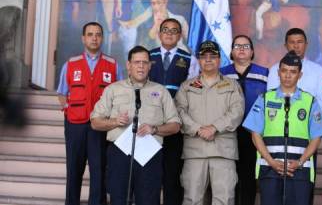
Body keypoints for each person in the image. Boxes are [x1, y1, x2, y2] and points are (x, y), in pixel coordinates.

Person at [90, 45, 181, 205]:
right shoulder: (113, 89)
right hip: (119, 154)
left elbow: (175, 125)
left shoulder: (160, 91)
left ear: (150, 66)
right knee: (118, 199)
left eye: (145, 62)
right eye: (137, 62)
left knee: (149, 200)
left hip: (150, 155)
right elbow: (95, 122)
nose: (141, 66)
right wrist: (114, 121)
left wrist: (155, 129)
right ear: (128, 65)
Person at [243, 52, 322, 205]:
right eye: (284, 71)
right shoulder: (264, 98)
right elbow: (255, 134)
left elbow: (317, 137)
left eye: (293, 72)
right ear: (278, 73)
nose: (288, 75)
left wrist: (300, 162)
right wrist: (271, 161)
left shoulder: (310, 102)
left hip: (299, 171)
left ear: (300, 75)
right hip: (269, 170)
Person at [56, 22, 123, 205]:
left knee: (99, 170)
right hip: (75, 125)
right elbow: (62, 93)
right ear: (83, 38)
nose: (94, 38)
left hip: (100, 126)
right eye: (90, 34)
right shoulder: (70, 64)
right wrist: (69, 111)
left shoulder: (113, 65)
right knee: (74, 170)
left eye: (98, 34)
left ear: (102, 38)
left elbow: (122, 94)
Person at [175, 40, 245, 205]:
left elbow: (237, 112)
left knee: (224, 200)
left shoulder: (232, 85)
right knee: (192, 199)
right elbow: (179, 112)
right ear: (198, 60)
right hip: (195, 151)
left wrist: (215, 127)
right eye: (204, 56)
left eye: (212, 56)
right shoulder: (187, 86)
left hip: (223, 151)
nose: (208, 60)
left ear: (219, 60)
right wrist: (198, 129)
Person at [148, 18, 199, 205]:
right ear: (159, 33)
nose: (169, 33)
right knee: (150, 173)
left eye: (174, 30)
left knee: (172, 173)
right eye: (165, 30)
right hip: (150, 124)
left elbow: (193, 93)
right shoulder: (147, 56)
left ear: (180, 35)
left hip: (175, 125)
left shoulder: (189, 59)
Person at [220, 35, 268, 205]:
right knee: (227, 176)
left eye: (246, 46)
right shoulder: (222, 73)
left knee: (248, 176)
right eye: (237, 46)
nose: (241, 49)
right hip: (226, 132)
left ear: (252, 51)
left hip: (252, 133)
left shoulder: (264, 73)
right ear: (232, 51)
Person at [267, 28, 322, 109]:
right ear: (285, 45)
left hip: (309, 118)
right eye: (292, 42)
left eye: (300, 42)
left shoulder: (318, 70)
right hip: (281, 117)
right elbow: (271, 99)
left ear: (306, 44)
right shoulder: (275, 69)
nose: (296, 46)